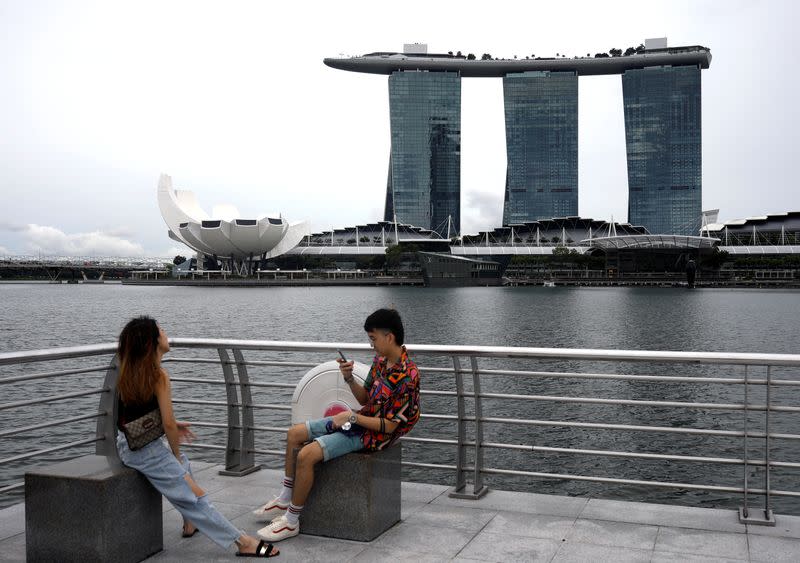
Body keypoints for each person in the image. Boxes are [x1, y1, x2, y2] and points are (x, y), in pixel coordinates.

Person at [115, 316, 278, 558]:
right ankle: (242, 541)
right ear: (152, 343)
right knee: (194, 494)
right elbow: (168, 423)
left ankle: (190, 523)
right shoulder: (159, 376)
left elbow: (135, 416)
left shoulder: (132, 372)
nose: (166, 333)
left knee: (186, 466)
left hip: (129, 444)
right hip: (146, 450)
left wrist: (169, 432)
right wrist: (175, 454)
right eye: (161, 331)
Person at [253, 308, 421, 542]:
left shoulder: (407, 376)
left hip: (374, 436)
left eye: (373, 339)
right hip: (359, 421)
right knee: (294, 434)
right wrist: (349, 378)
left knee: (306, 455)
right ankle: (284, 498)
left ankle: (291, 521)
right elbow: (365, 399)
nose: (371, 344)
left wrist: (351, 418)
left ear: (389, 337)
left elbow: (390, 427)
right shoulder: (381, 361)